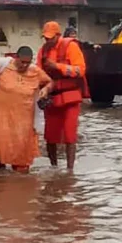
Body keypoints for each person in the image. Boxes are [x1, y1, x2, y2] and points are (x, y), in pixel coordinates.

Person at [0, 46, 51, 172]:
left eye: (28, 62)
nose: (24, 65)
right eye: (22, 62)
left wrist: (45, 89)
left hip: (24, 117)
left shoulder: (35, 71)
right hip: (0, 114)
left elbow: (49, 82)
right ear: (16, 58)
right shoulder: (4, 65)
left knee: (22, 149)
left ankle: (21, 180)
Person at [38, 21, 88, 171]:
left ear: (58, 35)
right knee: (50, 136)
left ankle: (69, 171)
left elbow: (80, 70)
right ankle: (53, 168)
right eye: (45, 38)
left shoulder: (71, 46)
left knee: (69, 134)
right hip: (52, 97)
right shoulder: (43, 51)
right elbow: (39, 73)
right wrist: (43, 89)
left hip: (70, 96)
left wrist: (57, 66)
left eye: (50, 38)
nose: (47, 41)